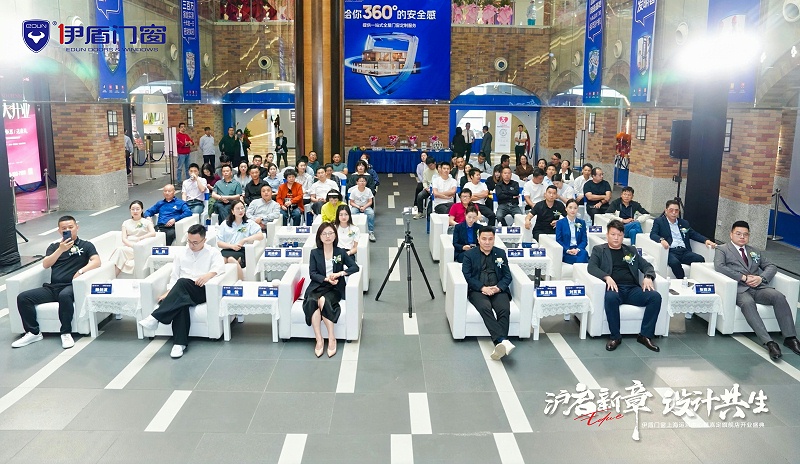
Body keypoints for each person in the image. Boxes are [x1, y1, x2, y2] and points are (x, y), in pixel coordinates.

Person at [714, 221, 800, 361]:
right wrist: (742, 277)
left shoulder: (754, 251)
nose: (742, 237)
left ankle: (790, 338)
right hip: (739, 289)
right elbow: (719, 266)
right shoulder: (722, 249)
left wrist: (761, 278)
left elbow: (771, 266)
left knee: (778, 296)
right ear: (731, 234)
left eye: (745, 234)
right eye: (738, 234)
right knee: (748, 303)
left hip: (758, 288)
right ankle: (769, 342)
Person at [12, 216, 101, 349]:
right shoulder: (54, 247)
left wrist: (81, 271)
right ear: (59, 231)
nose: (68, 230)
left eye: (70, 227)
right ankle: (33, 332)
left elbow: (97, 261)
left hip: (71, 286)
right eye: (64, 228)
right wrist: (60, 250)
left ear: (77, 227)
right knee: (23, 298)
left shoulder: (86, 245)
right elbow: (46, 264)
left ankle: (65, 333)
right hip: (53, 287)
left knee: (64, 296)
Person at [138, 224, 226, 359]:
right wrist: (169, 292)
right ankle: (179, 344)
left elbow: (220, 268)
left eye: (195, 242)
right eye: (189, 241)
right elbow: (174, 276)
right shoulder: (181, 253)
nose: (191, 245)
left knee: (182, 283)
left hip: (201, 290)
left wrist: (208, 275)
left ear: (204, 240)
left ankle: (155, 317)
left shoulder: (213, 252)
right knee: (181, 302)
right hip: (182, 289)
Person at [588, 219, 662, 353]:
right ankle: (615, 337)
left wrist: (648, 276)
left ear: (623, 236)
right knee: (610, 298)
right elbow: (591, 267)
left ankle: (645, 335)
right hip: (614, 288)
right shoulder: (599, 250)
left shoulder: (630, 250)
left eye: (619, 235)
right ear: (607, 235)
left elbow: (647, 266)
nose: (616, 238)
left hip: (632, 289)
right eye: (613, 234)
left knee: (655, 297)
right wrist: (606, 277)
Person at [304, 223, 360, 358]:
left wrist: (340, 274)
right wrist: (326, 279)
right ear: (319, 236)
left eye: (330, 233)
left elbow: (355, 267)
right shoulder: (314, 253)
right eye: (324, 234)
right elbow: (312, 274)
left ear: (335, 235)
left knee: (324, 300)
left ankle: (331, 337)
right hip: (318, 285)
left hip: (335, 287)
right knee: (312, 301)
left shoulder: (340, 252)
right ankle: (319, 339)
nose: (327, 236)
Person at [462, 227, 516, 360]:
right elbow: (467, 276)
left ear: (494, 239)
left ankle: (499, 345)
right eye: (484, 239)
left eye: (490, 239)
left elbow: (507, 276)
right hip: (478, 290)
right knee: (485, 307)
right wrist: (482, 288)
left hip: (497, 289)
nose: (487, 242)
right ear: (478, 239)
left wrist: (498, 288)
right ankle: (502, 340)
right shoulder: (470, 255)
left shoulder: (500, 253)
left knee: (504, 309)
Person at [649, 200, 716, 279]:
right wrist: (661, 240)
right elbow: (653, 234)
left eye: (676, 211)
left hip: (684, 251)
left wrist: (706, 240)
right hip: (670, 251)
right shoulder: (659, 221)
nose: (674, 213)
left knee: (699, 259)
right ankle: (682, 280)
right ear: (666, 211)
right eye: (671, 210)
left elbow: (693, 234)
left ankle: (696, 280)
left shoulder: (684, 223)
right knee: (674, 263)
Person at [216, 200, 264, 280]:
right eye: (238, 209)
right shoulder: (225, 224)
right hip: (228, 249)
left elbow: (260, 236)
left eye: (242, 208)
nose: (241, 211)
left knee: (230, 259)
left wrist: (245, 239)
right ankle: (220, 281)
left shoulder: (249, 223)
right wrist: (232, 246)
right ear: (232, 211)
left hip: (241, 250)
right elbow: (219, 243)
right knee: (223, 260)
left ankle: (240, 281)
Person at [109, 201, 157, 276]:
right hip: (128, 246)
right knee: (120, 251)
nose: (135, 211)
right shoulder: (126, 223)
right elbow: (124, 239)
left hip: (140, 247)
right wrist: (133, 246)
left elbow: (153, 233)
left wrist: (141, 238)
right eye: (133, 209)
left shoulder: (146, 222)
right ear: (130, 210)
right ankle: (112, 277)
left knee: (120, 251)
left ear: (141, 210)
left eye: (137, 209)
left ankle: (112, 277)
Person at [555, 199, 589, 264]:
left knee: (584, 253)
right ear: (566, 209)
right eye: (570, 208)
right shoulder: (560, 223)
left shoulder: (582, 222)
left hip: (579, 249)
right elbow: (558, 240)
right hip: (567, 251)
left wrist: (577, 249)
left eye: (575, 208)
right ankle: (580, 266)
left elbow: (584, 240)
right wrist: (567, 250)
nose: (572, 210)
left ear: (577, 209)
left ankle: (579, 266)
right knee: (581, 258)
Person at [348, 175, 376, 242]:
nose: (362, 183)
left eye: (363, 181)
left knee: (371, 213)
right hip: (356, 206)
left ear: (366, 182)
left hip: (366, 206)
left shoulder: (368, 190)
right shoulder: (354, 191)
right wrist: (358, 207)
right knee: (352, 213)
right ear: (357, 182)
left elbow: (370, 201)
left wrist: (364, 207)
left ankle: (371, 231)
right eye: (360, 181)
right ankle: (352, 231)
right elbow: (351, 202)